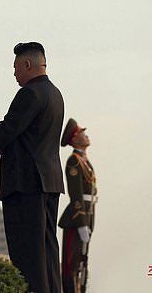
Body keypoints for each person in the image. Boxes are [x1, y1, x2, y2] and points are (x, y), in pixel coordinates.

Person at [0, 42, 65, 293]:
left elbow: (8, 131)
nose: (14, 73)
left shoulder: (30, 94)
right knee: (47, 253)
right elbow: (23, 137)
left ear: (27, 64)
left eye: (16, 67)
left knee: (27, 256)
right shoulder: (55, 94)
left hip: (25, 184)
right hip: (48, 183)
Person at [58, 118, 97, 293]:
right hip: (76, 218)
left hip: (87, 215)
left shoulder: (84, 161)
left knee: (82, 261)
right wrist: (81, 222)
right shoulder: (74, 161)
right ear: (74, 140)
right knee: (71, 264)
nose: (85, 135)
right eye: (81, 133)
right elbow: (76, 196)